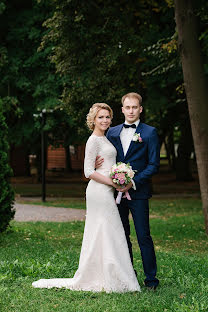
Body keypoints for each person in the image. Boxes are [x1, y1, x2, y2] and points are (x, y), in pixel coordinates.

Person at [32, 103, 140, 293]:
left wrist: (119, 176)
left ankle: (112, 274)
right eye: (101, 117)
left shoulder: (105, 139)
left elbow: (103, 164)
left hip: (106, 189)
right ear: (93, 120)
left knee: (107, 231)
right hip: (99, 191)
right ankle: (103, 276)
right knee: (106, 229)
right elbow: (88, 171)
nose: (105, 120)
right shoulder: (93, 140)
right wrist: (114, 183)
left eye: (107, 117)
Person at [96, 93, 160, 290]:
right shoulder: (112, 132)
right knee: (121, 236)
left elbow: (153, 165)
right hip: (114, 194)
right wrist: (97, 164)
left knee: (143, 236)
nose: (131, 110)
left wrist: (131, 181)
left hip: (138, 192)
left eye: (134, 107)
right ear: (122, 109)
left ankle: (151, 280)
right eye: (127, 107)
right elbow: (101, 152)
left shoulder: (149, 133)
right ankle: (128, 276)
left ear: (140, 109)